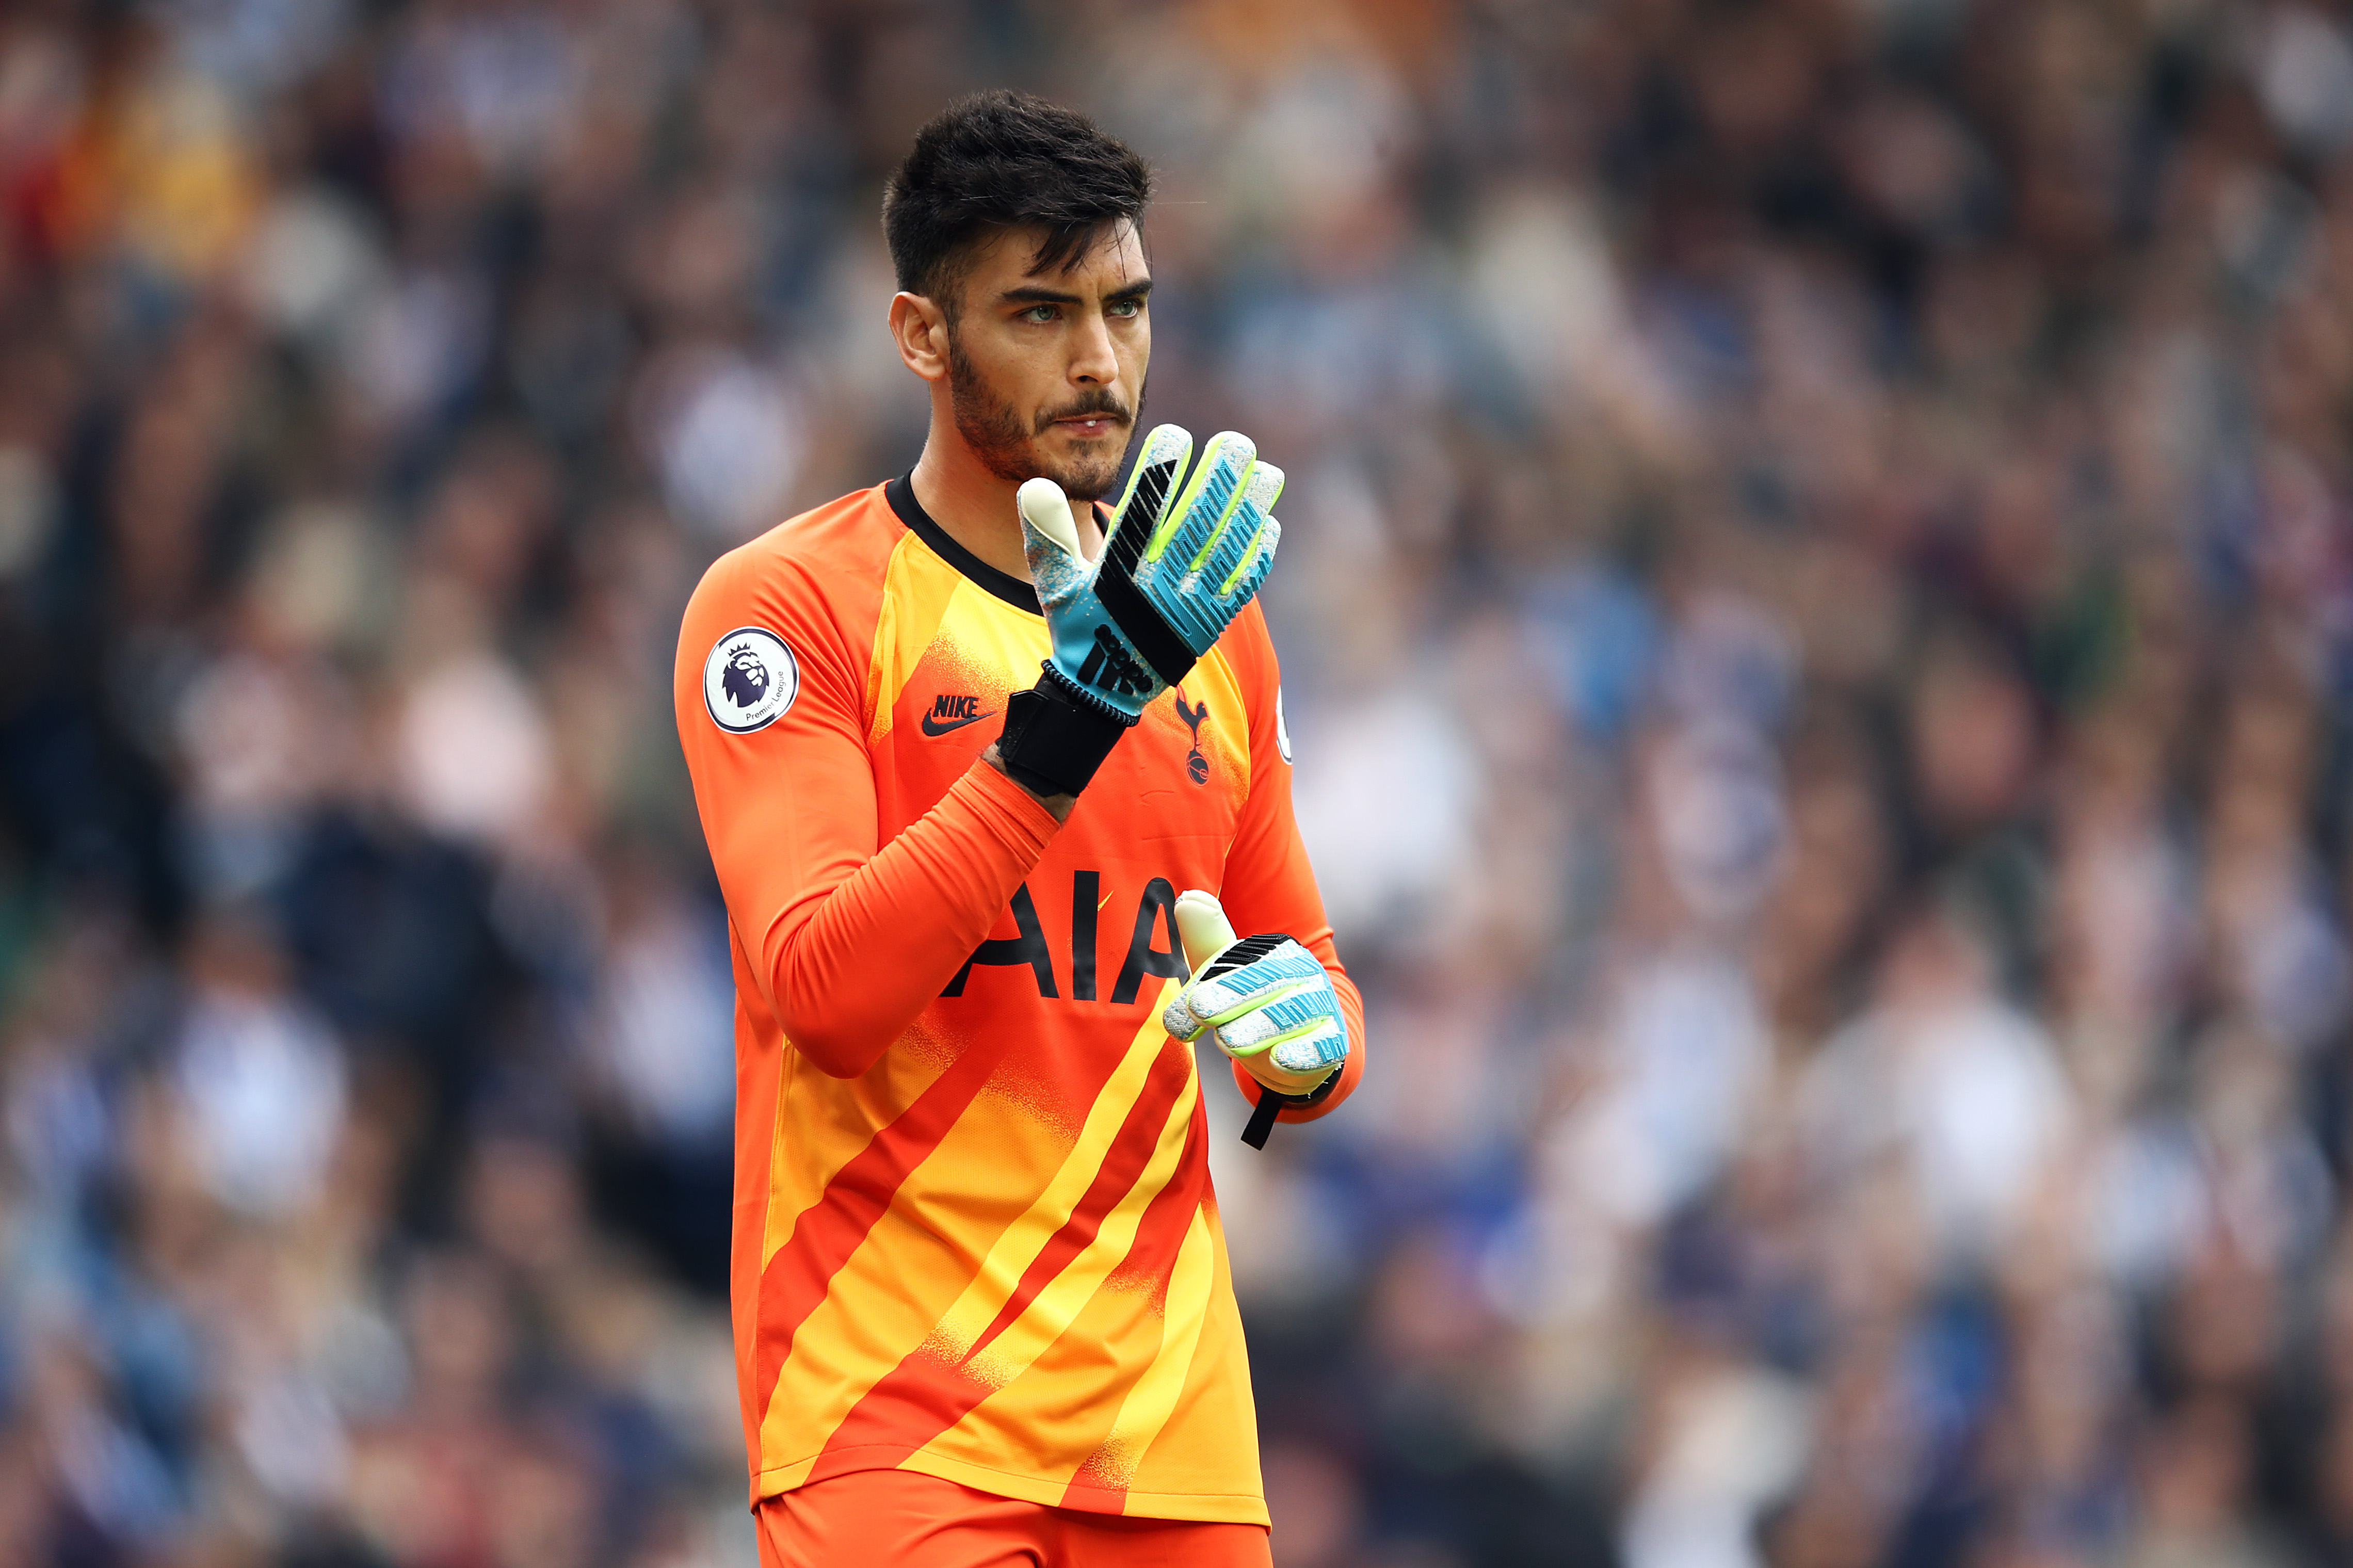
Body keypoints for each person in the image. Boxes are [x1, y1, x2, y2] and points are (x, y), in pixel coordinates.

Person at [672, 91, 1366, 1566]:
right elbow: (827, 993)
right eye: (1041, 313)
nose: (1099, 360)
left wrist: (1311, 1051)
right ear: (923, 336)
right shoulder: (790, 606)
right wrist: (1071, 722)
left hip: (1168, 1430)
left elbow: (1298, 974)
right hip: (894, 1413)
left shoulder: (1212, 626)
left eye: (1127, 307)